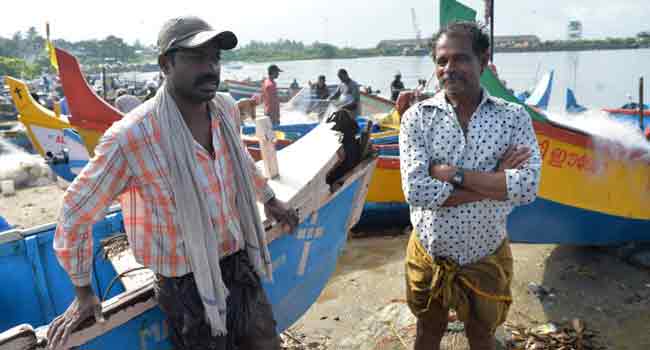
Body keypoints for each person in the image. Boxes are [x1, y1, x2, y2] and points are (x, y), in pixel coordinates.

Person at [47, 16, 298, 350]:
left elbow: (238, 161)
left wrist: (269, 200)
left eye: (215, 58)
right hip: (186, 288)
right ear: (166, 63)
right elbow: (75, 210)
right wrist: (83, 291)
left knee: (267, 344)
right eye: (197, 58)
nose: (210, 68)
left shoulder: (224, 108)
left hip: (238, 265)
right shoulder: (132, 137)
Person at [399, 21, 541, 350]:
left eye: (460, 58)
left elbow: (527, 187)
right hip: (429, 254)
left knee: (481, 335)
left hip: (485, 254)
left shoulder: (513, 117)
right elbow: (416, 191)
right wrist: (496, 180)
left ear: (484, 60)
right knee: (428, 331)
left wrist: (451, 174)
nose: (449, 68)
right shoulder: (417, 118)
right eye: (441, 61)